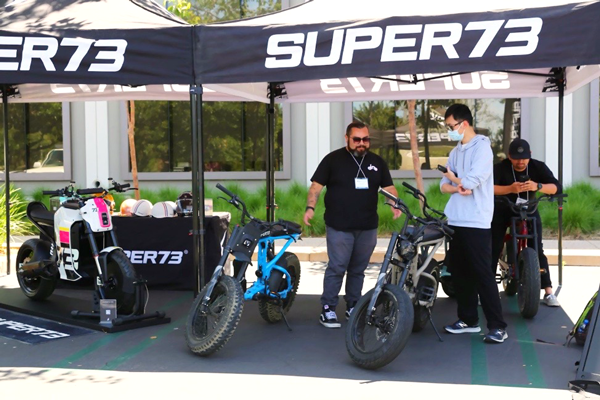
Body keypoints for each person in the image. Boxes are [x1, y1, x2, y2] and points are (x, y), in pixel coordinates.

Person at [304, 121, 402, 328]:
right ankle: (328, 308)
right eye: (357, 139)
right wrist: (310, 208)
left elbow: (389, 187)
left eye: (365, 139)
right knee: (337, 267)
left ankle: (353, 305)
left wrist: (395, 204)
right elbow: (316, 187)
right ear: (347, 138)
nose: (362, 143)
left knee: (358, 269)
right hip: (339, 226)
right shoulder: (333, 160)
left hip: (367, 226)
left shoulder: (377, 161)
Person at [439, 104, 508, 344]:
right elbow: (443, 186)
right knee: (459, 272)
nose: (450, 131)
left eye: (451, 126)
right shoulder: (456, 152)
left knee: (483, 274)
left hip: (477, 221)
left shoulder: (482, 148)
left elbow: (472, 181)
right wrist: (455, 184)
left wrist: (454, 179)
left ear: (464, 123)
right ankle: (468, 320)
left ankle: (498, 326)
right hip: (456, 219)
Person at [491, 138, 561, 306]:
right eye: (516, 158)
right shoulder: (500, 168)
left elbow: (556, 187)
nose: (520, 162)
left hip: (529, 210)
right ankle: (486, 289)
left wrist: (537, 186)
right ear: (509, 156)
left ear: (530, 155)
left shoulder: (538, 166)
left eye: (524, 158)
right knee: (493, 245)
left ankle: (548, 291)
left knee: (536, 246)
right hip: (503, 209)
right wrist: (510, 189)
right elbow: (488, 188)